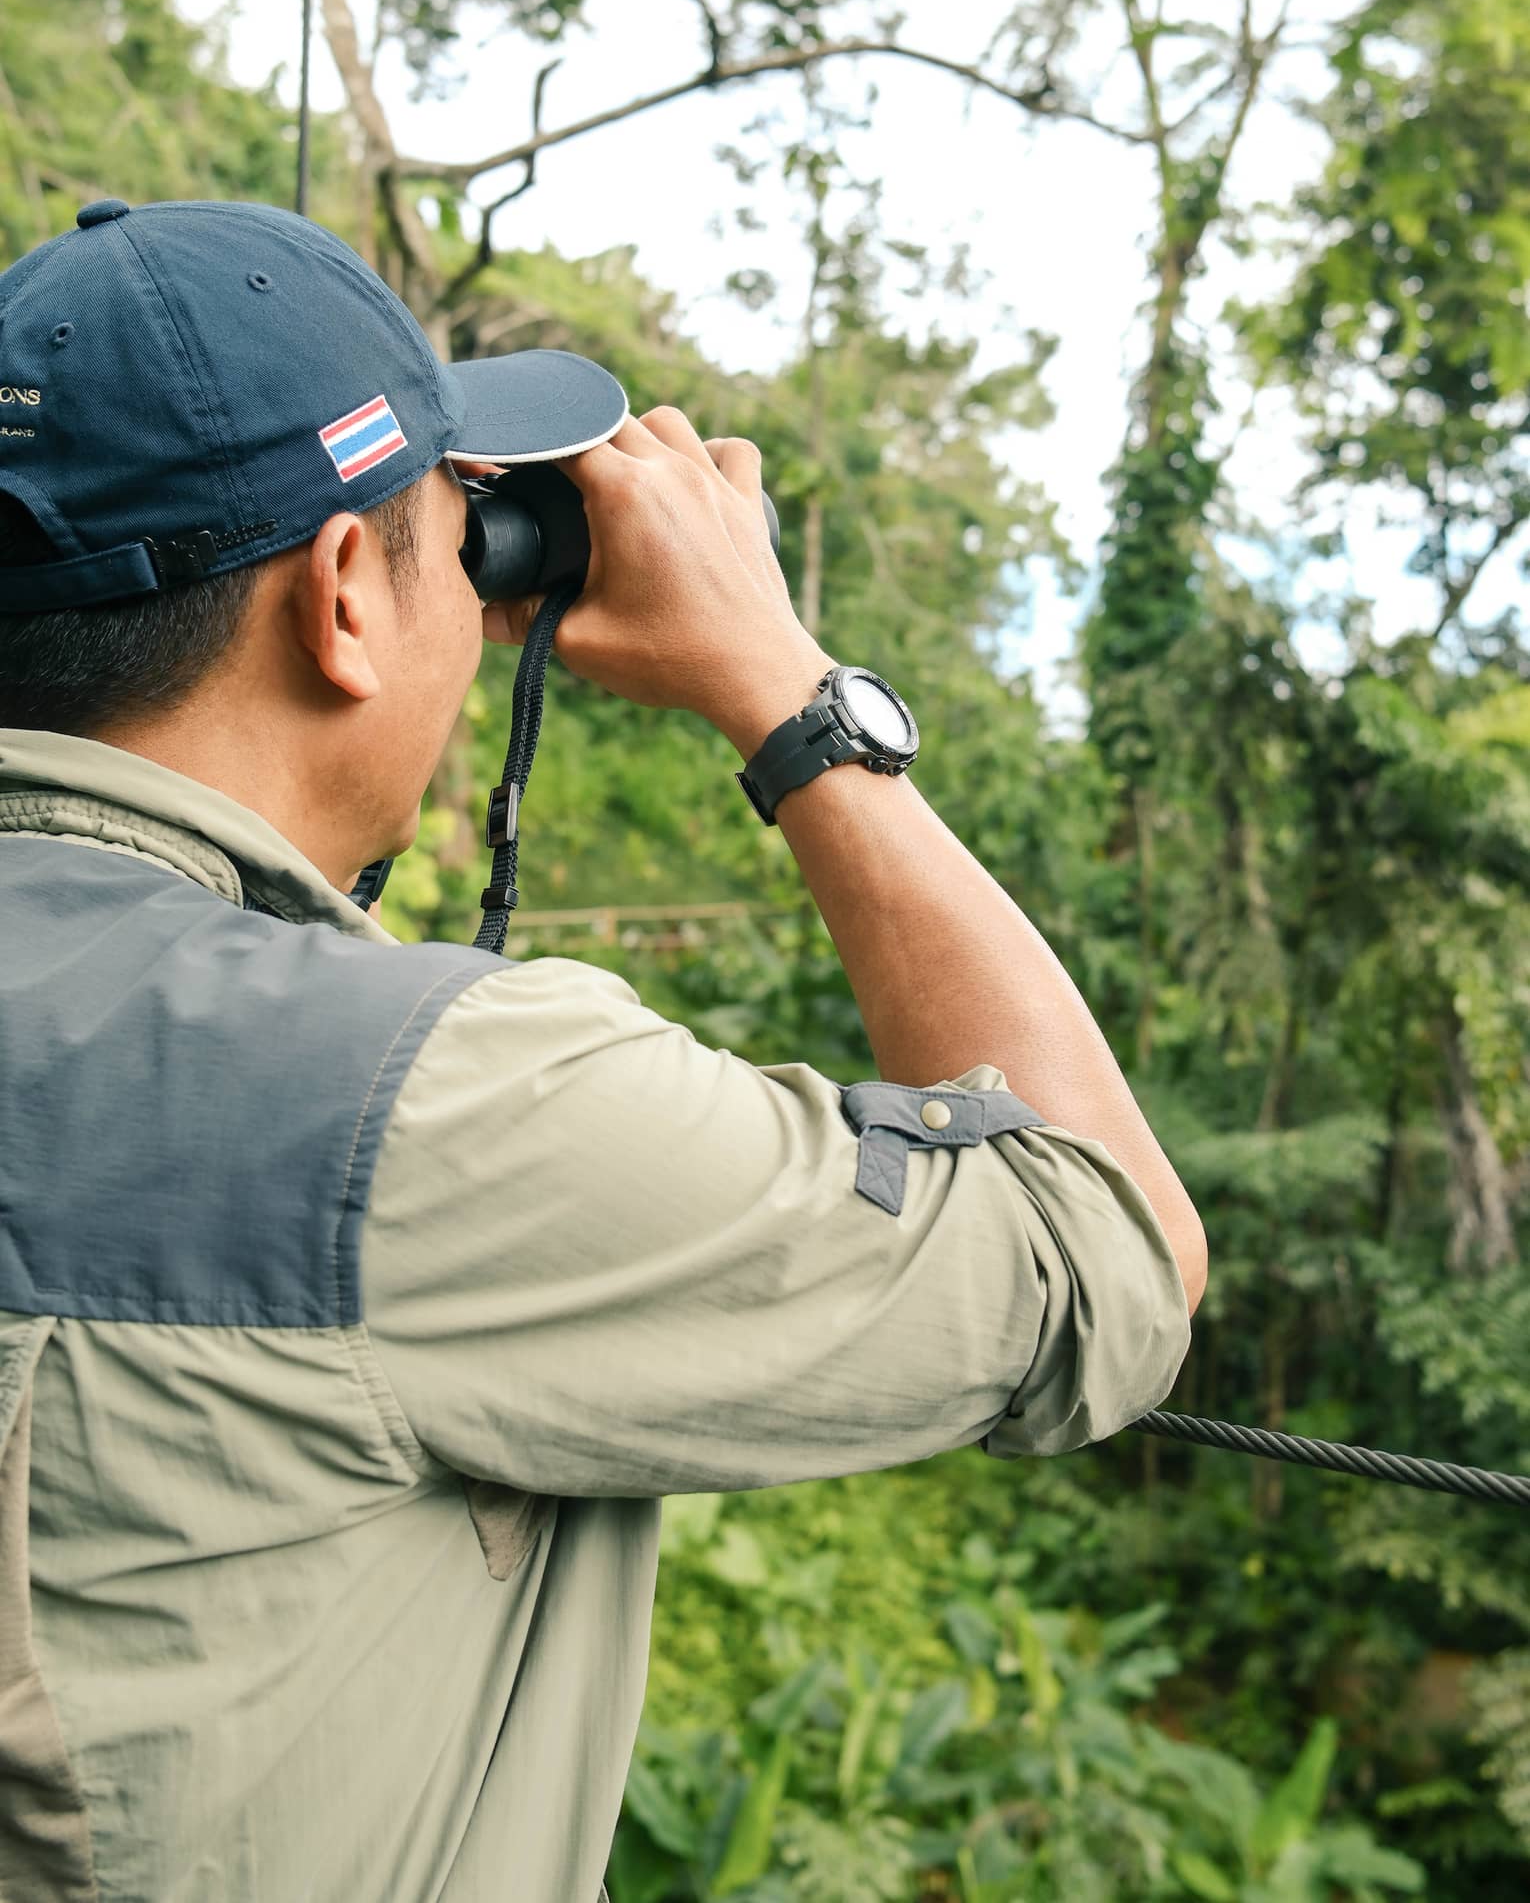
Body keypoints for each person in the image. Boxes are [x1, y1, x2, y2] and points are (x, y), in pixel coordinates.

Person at [0, 197, 1205, 1903]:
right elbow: (1110, 1256)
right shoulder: (426, 1109)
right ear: (347, 594)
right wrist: (789, 696)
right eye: (452, 522)